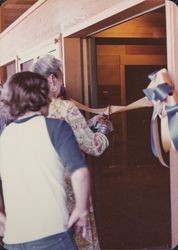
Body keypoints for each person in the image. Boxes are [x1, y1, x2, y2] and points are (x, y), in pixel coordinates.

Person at [0, 71, 90, 250]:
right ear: (42, 95)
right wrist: (81, 209)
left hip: (14, 240)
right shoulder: (56, 128)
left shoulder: (4, 136)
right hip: (52, 236)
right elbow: (80, 174)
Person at [31, 54, 113, 249]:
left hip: (45, 190)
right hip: (72, 190)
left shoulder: (32, 108)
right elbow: (94, 147)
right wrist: (104, 129)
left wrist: (89, 123)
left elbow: (71, 132)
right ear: (52, 79)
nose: (62, 81)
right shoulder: (66, 108)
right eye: (60, 77)